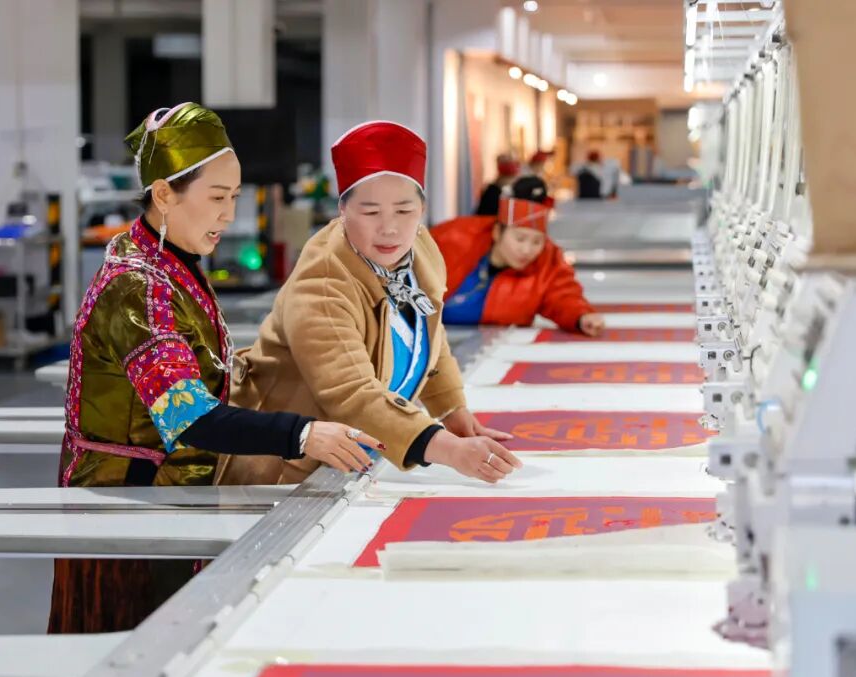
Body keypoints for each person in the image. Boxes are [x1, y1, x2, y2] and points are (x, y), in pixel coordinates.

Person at [49, 102, 380, 634]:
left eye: (235, 198)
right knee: (138, 651)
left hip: (169, 494)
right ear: (163, 194)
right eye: (218, 197)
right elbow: (188, 416)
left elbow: (197, 368)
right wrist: (302, 434)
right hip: (129, 508)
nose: (229, 215)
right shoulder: (139, 287)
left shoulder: (168, 263)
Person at [217, 121, 522, 487]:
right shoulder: (323, 283)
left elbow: (428, 331)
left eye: (404, 211)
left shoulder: (419, 251)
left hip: (354, 463)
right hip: (285, 473)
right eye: (371, 212)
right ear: (342, 210)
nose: (389, 228)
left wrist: (452, 409)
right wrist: (448, 449)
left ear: (422, 210)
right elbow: (351, 394)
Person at [432, 175, 605, 335]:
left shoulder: (547, 259)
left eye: (537, 241)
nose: (527, 250)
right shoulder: (453, 237)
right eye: (520, 239)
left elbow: (563, 296)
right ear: (497, 232)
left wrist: (581, 316)